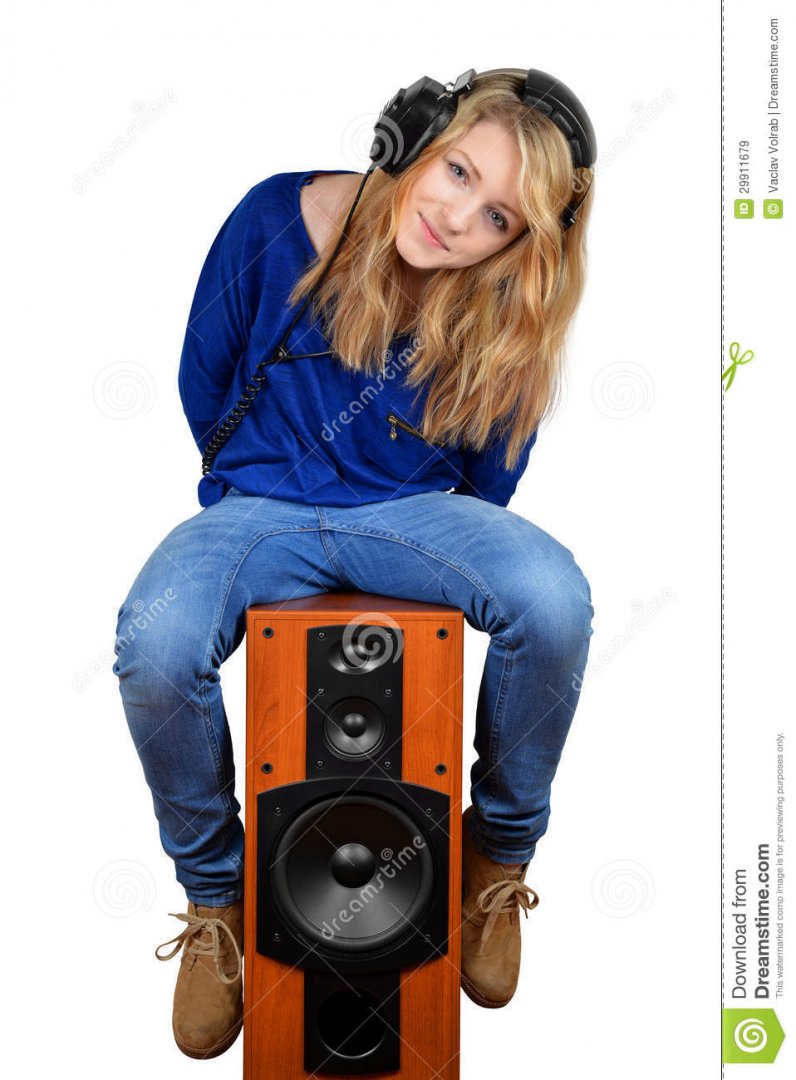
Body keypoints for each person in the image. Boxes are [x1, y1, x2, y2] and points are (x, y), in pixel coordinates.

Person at [112, 68, 596, 1058]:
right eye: (457, 171)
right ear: (411, 135)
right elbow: (203, 380)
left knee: (550, 597)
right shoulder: (273, 216)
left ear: (517, 240)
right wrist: (266, 479)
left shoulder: (498, 301)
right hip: (257, 508)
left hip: (408, 512)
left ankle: (494, 864)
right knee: (155, 639)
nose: (459, 215)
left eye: (497, 214)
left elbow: (491, 478)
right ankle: (217, 906)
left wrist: (419, 538)